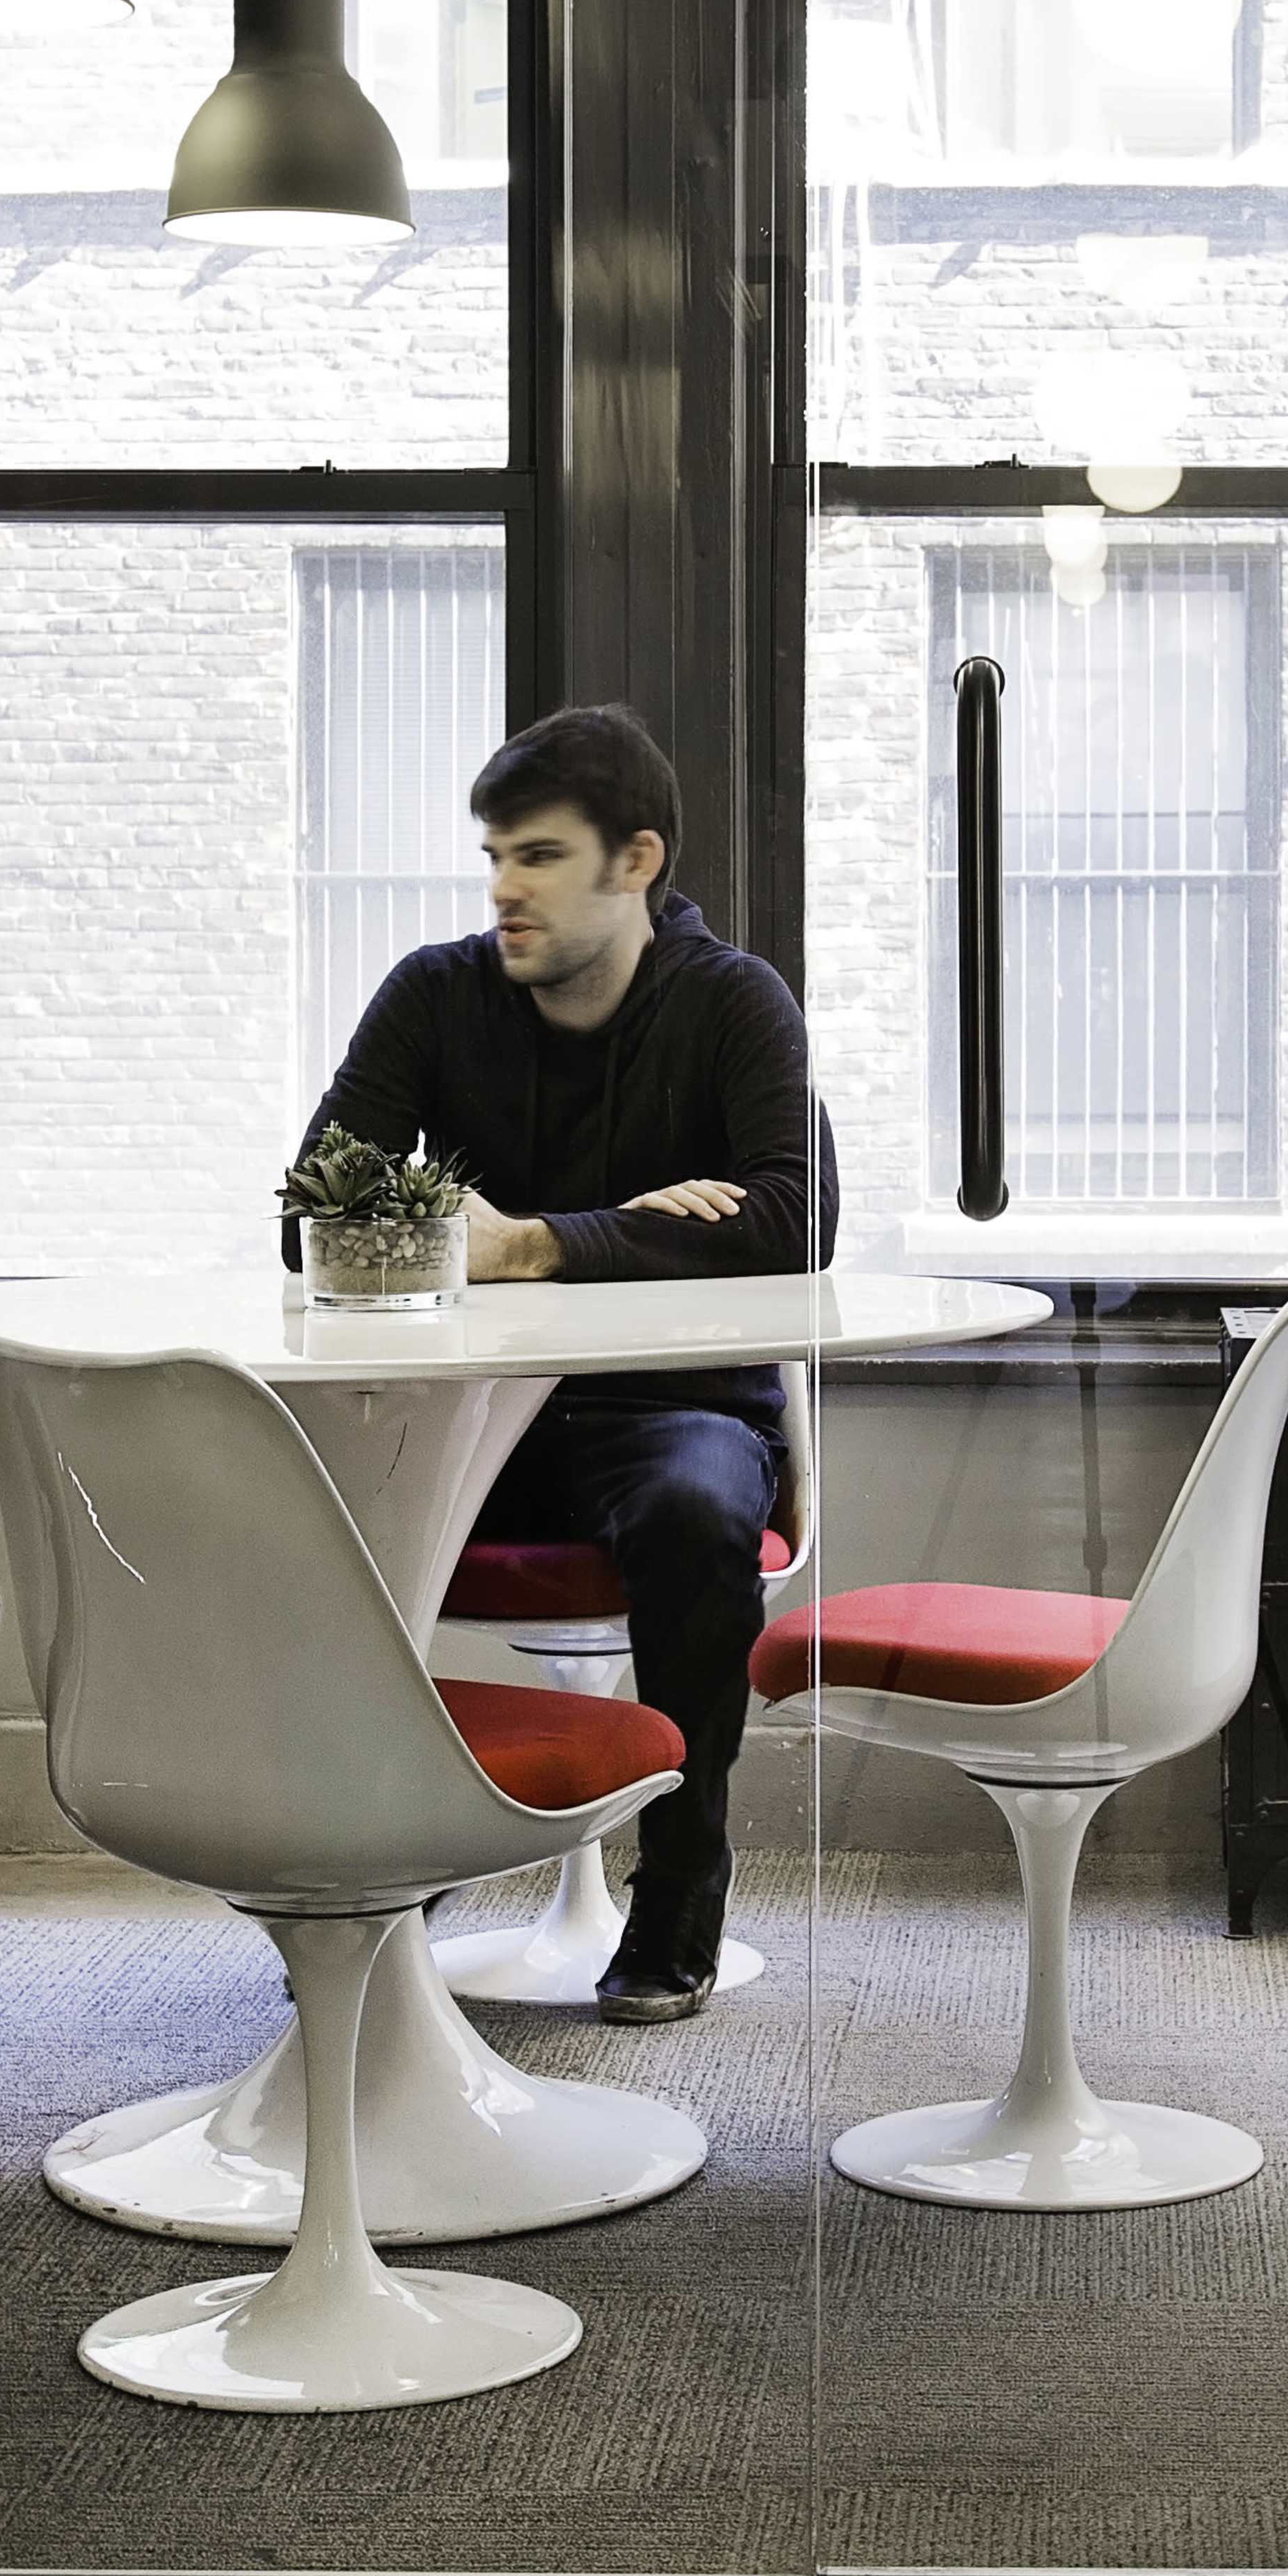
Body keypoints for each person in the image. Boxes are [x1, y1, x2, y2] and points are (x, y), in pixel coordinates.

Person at [285, 702, 837, 2020]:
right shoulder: (437, 993)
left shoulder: (732, 1002)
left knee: (701, 1507)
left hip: (675, 1412)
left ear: (634, 861)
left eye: (535, 856)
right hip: (479, 1417)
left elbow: (796, 1216)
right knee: (327, 1497)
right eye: (493, 856)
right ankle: (389, 1852)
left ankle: (683, 1889)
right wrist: (646, 1222)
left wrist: (532, 1245)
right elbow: (311, 1212)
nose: (501, 890)